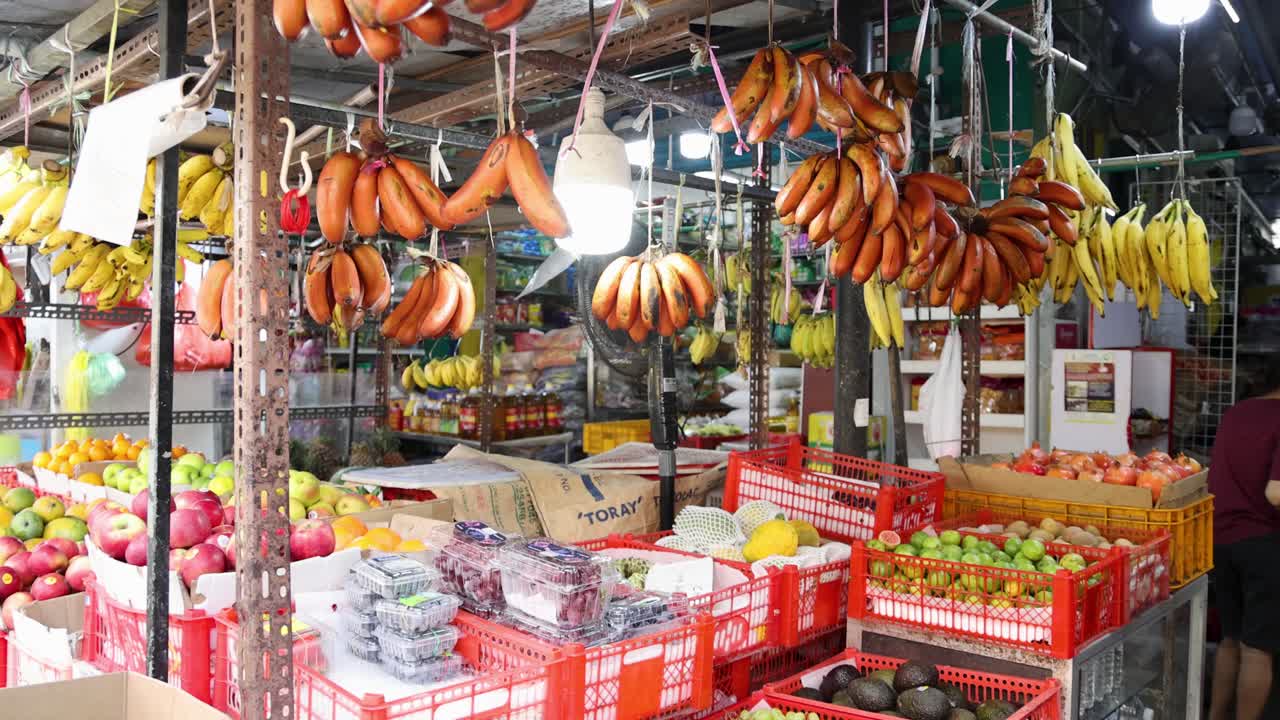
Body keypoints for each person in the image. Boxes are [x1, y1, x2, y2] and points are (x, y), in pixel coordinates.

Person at [1208, 371, 1280, 720]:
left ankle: (1215, 716)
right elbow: (1276, 492)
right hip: (1263, 545)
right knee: (1258, 650)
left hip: (1220, 538)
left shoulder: (1236, 412)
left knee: (1230, 640)